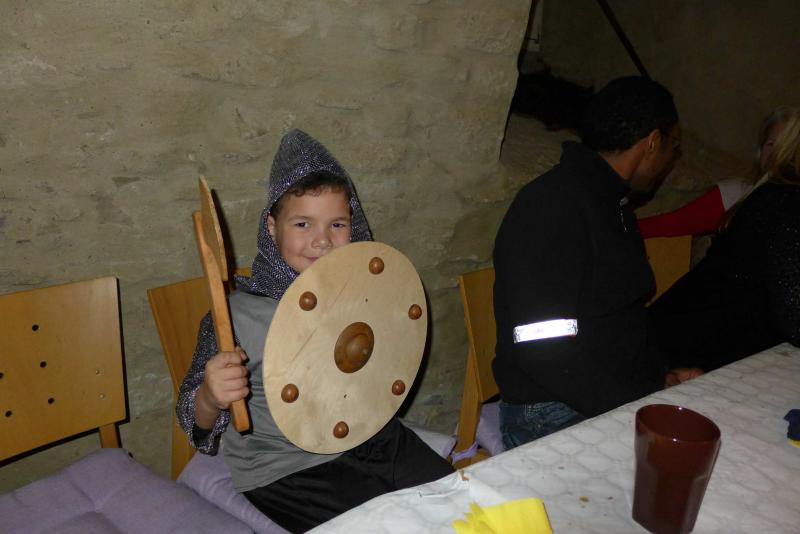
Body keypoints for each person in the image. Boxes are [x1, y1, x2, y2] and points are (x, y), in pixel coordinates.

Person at [177, 129, 453, 533]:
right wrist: (210, 395)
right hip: (289, 467)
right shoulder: (237, 317)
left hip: (372, 436)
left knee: (461, 504)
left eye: (337, 224)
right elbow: (193, 421)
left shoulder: (364, 292)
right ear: (272, 227)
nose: (322, 241)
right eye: (303, 223)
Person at [492, 76, 693, 451]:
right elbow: (543, 349)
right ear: (652, 143)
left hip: (606, 395)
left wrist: (658, 380)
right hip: (552, 408)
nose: (672, 158)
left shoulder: (611, 203)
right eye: (674, 146)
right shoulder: (552, 207)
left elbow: (620, 317)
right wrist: (637, 407)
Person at [649, 107, 800, 371]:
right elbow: (791, 311)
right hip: (691, 339)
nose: (775, 153)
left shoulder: (772, 196)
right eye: (770, 144)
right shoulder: (775, 199)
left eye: (782, 145)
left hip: (712, 339)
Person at [638, 106, 793, 237]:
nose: (776, 155)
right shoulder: (737, 192)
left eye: (787, 147)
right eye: (771, 144)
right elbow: (673, 224)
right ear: (760, 150)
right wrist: (625, 228)